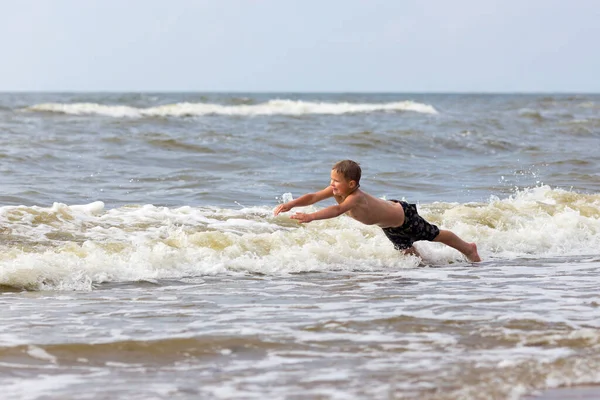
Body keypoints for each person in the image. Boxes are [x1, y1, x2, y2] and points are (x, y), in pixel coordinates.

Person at [274, 160, 481, 262]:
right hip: (389, 226)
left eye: (336, 181)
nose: (332, 184)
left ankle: (468, 248)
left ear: (352, 183)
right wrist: (292, 204)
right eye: (331, 180)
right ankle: (427, 270)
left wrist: (311, 216)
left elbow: (337, 210)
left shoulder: (355, 198)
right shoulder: (337, 190)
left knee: (435, 235)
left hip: (403, 217)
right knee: (408, 255)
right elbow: (313, 197)